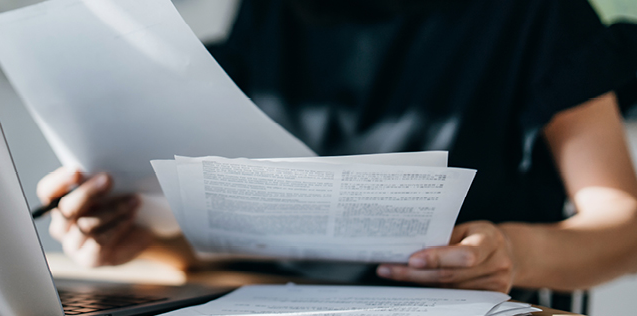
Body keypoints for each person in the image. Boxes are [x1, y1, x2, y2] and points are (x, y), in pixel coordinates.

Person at [36, 0, 637, 299]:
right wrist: (147, 238)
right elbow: (258, 233)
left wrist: (514, 252)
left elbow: (624, 227)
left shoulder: (539, 16)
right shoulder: (271, 14)